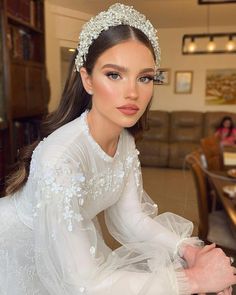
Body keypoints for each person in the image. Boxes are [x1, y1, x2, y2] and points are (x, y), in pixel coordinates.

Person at [0, 3, 235, 295]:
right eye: (114, 74)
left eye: (145, 77)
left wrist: (187, 250)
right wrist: (196, 280)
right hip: (14, 254)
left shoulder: (124, 141)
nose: (133, 92)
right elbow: (84, 282)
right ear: (87, 79)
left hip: (66, 254)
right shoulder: (61, 159)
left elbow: (130, 219)